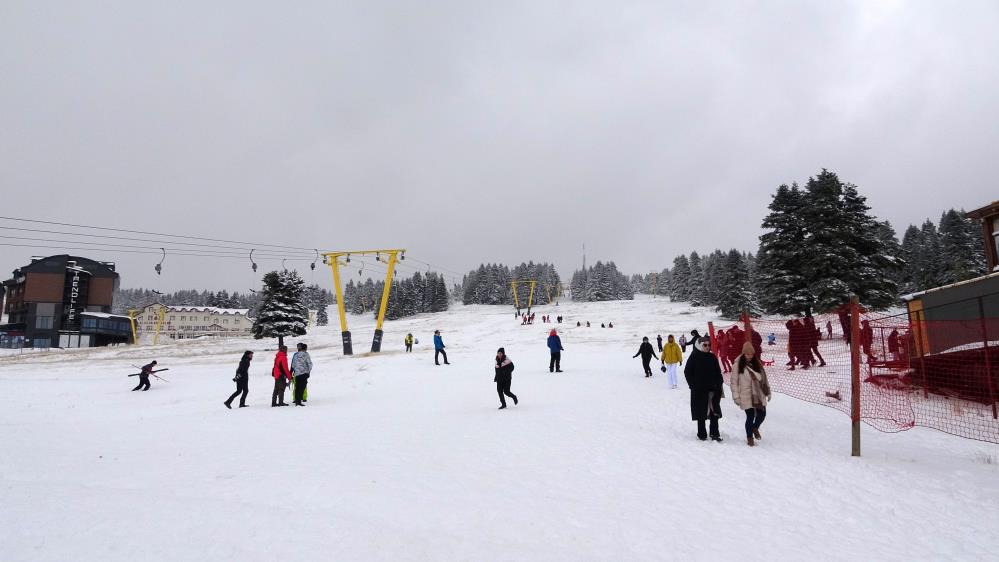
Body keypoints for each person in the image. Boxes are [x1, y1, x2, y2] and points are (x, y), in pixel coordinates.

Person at [730, 341, 772, 447]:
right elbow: (734, 382)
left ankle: (754, 428)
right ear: (743, 353)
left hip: (759, 394)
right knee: (750, 416)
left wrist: (768, 392)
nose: (749, 356)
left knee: (762, 414)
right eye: (747, 354)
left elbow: (764, 379)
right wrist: (736, 396)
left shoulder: (757, 364)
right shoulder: (737, 365)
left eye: (751, 354)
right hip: (745, 394)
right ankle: (749, 437)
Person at [684, 337, 724, 441]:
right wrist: (693, 385)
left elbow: (718, 372)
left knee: (714, 412)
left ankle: (715, 433)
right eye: (705, 345)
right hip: (699, 391)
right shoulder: (694, 356)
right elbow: (687, 372)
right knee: (701, 412)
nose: (707, 347)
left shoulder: (712, 357)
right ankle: (701, 433)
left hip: (713, 390)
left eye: (708, 345)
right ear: (699, 345)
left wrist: (719, 384)